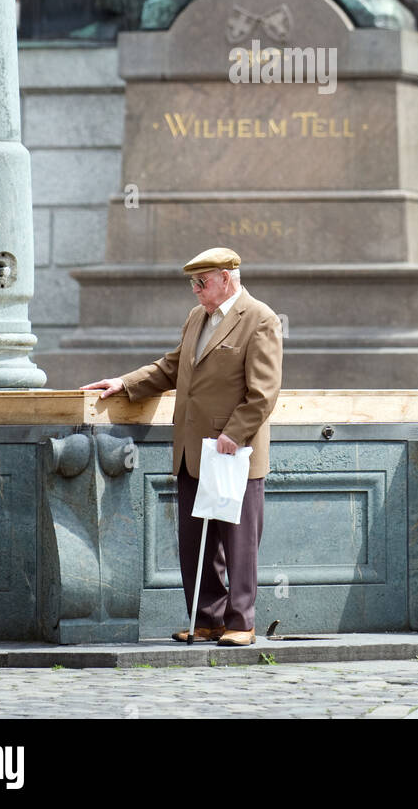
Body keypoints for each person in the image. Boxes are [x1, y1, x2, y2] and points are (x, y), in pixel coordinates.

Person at [81, 247, 283, 646]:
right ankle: (207, 619)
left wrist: (235, 434)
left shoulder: (260, 318)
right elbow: (172, 366)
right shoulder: (198, 318)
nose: (194, 289)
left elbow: (264, 391)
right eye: (192, 282)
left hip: (233, 452)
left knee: (237, 540)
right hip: (194, 450)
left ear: (226, 278)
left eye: (201, 281)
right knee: (195, 540)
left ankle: (241, 622)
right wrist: (125, 383)